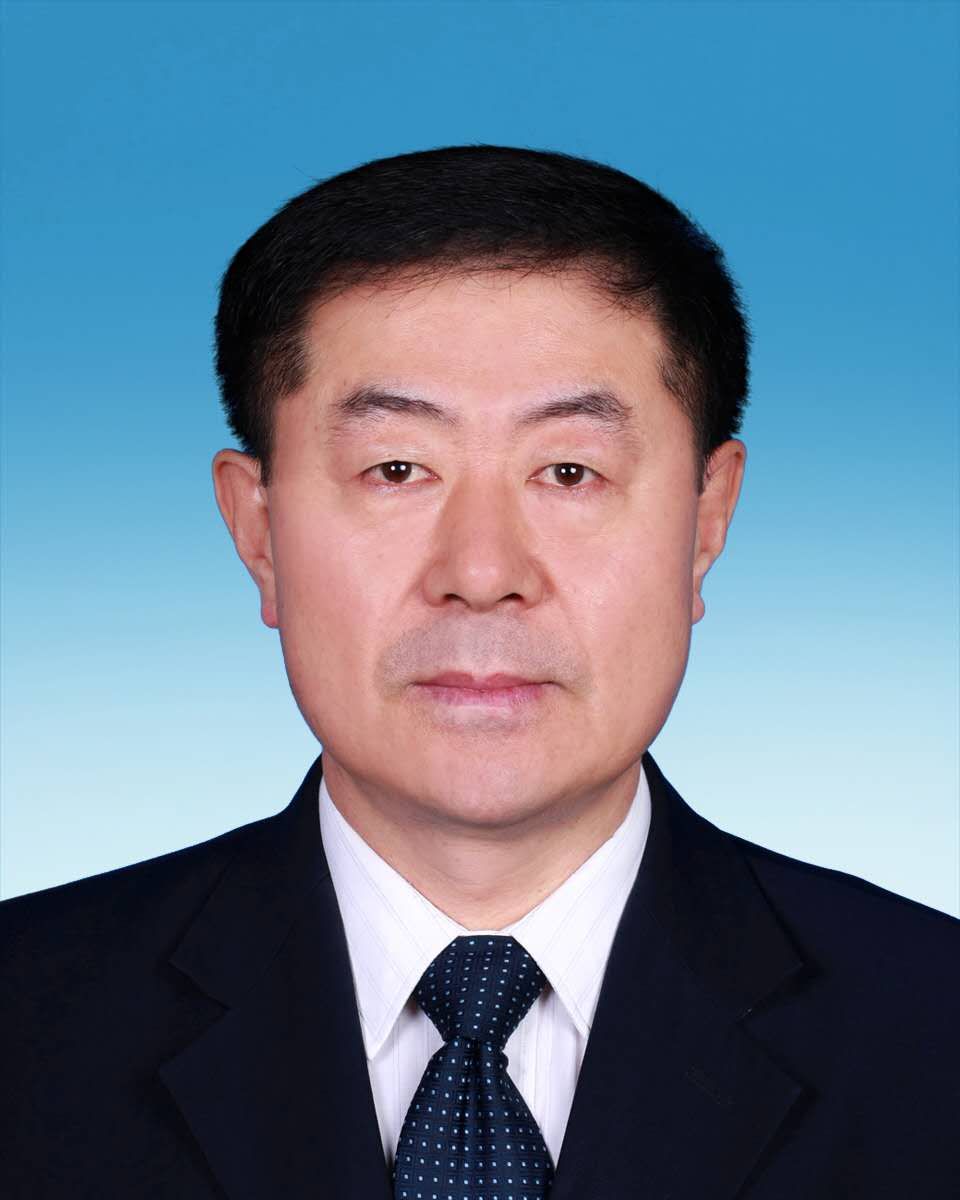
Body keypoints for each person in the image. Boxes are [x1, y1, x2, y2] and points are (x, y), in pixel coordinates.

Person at [1, 144, 957, 1200]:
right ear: (257, 532)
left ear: (706, 521)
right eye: (397, 469)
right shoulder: (26, 1018)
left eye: (569, 471)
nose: (483, 573)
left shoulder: (933, 1031)